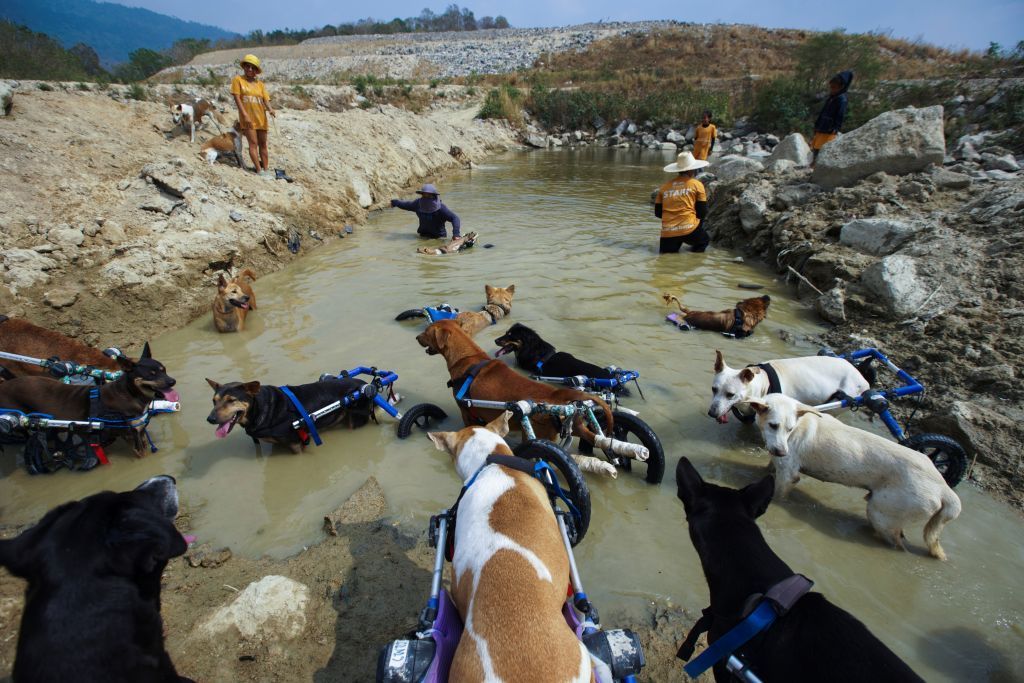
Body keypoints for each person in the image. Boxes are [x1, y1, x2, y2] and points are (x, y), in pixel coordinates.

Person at [654, 152, 710, 253]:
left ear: (678, 170)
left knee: (666, 257)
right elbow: (702, 212)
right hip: (689, 230)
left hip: (668, 233)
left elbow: (658, 213)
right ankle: (694, 258)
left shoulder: (664, 187)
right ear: (692, 169)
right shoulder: (697, 184)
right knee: (704, 240)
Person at [231, 54, 275, 175]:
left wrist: (270, 109)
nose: (250, 69)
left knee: (263, 144)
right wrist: (244, 115)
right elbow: (237, 99)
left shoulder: (260, 84)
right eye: (247, 66)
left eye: (253, 67)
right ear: (244, 67)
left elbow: (266, 99)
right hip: (248, 118)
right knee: (253, 143)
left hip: (261, 117)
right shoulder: (238, 80)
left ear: (256, 70)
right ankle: (259, 170)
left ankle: (266, 169)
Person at [811, 70, 854, 163]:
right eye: (831, 87)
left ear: (842, 87)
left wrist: (836, 127)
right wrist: (817, 123)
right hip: (822, 126)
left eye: (834, 88)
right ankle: (814, 164)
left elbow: (840, 114)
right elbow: (823, 111)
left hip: (829, 129)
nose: (832, 90)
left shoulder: (841, 99)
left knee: (823, 148)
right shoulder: (832, 97)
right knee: (816, 146)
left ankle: (818, 165)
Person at [390, 184, 461, 239]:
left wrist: (456, 234)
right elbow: (406, 205)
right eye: (424, 195)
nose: (426, 197)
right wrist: (395, 202)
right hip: (422, 237)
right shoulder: (418, 204)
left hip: (439, 239)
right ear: (422, 195)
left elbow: (455, 218)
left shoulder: (441, 208)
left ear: (434, 196)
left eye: (429, 195)